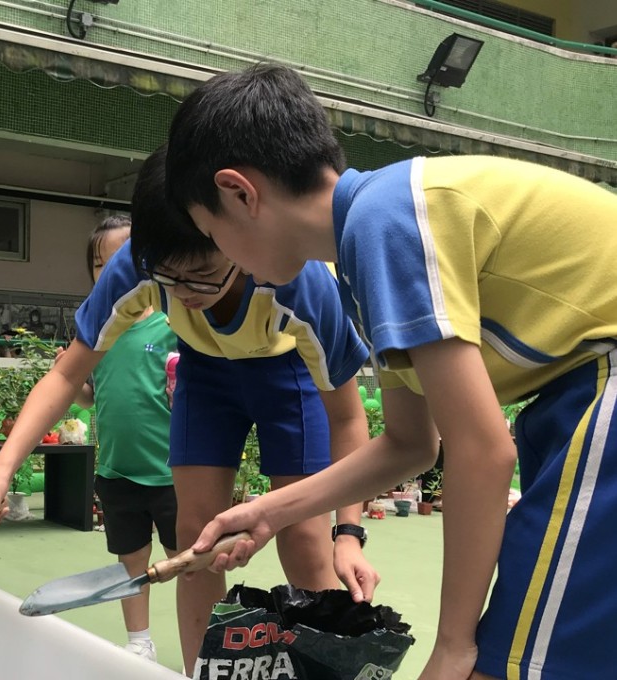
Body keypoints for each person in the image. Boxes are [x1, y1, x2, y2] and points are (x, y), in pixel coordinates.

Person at [165, 63, 617, 680]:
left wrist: (453, 643)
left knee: (505, 657)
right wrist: (272, 511)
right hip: (572, 395)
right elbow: (410, 445)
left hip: (601, 389)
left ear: (240, 193)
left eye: (209, 229)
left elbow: (482, 450)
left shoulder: (386, 222)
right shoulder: (370, 240)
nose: (222, 256)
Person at [0, 147, 379, 674]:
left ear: (233, 235)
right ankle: (200, 671)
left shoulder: (297, 279)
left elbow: (346, 416)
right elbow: (68, 372)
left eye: (203, 275)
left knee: (304, 540)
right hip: (205, 374)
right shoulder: (138, 263)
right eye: (170, 281)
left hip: (287, 375)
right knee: (197, 540)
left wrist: (349, 533)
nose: (186, 294)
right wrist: (1, 470)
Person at [73, 215, 179, 661]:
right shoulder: (95, 328)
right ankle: (140, 642)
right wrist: (73, 382)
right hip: (116, 468)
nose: (112, 269)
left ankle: (203, 639)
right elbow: (87, 396)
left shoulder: (172, 322)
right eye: (101, 263)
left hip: (172, 470)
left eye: (124, 257)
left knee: (188, 560)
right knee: (131, 562)